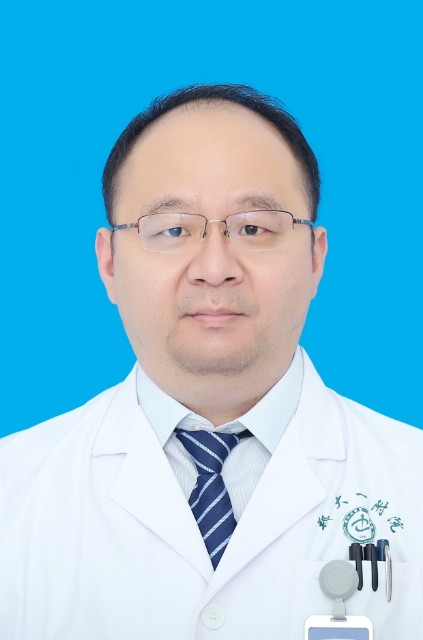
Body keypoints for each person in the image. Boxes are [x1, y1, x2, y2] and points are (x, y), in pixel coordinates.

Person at [0, 83, 422, 640]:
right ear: (109, 263)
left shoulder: (412, 481)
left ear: (315, 258)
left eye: (254, 228)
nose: (215, 267)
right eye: (173, 230)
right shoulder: (13, 490)